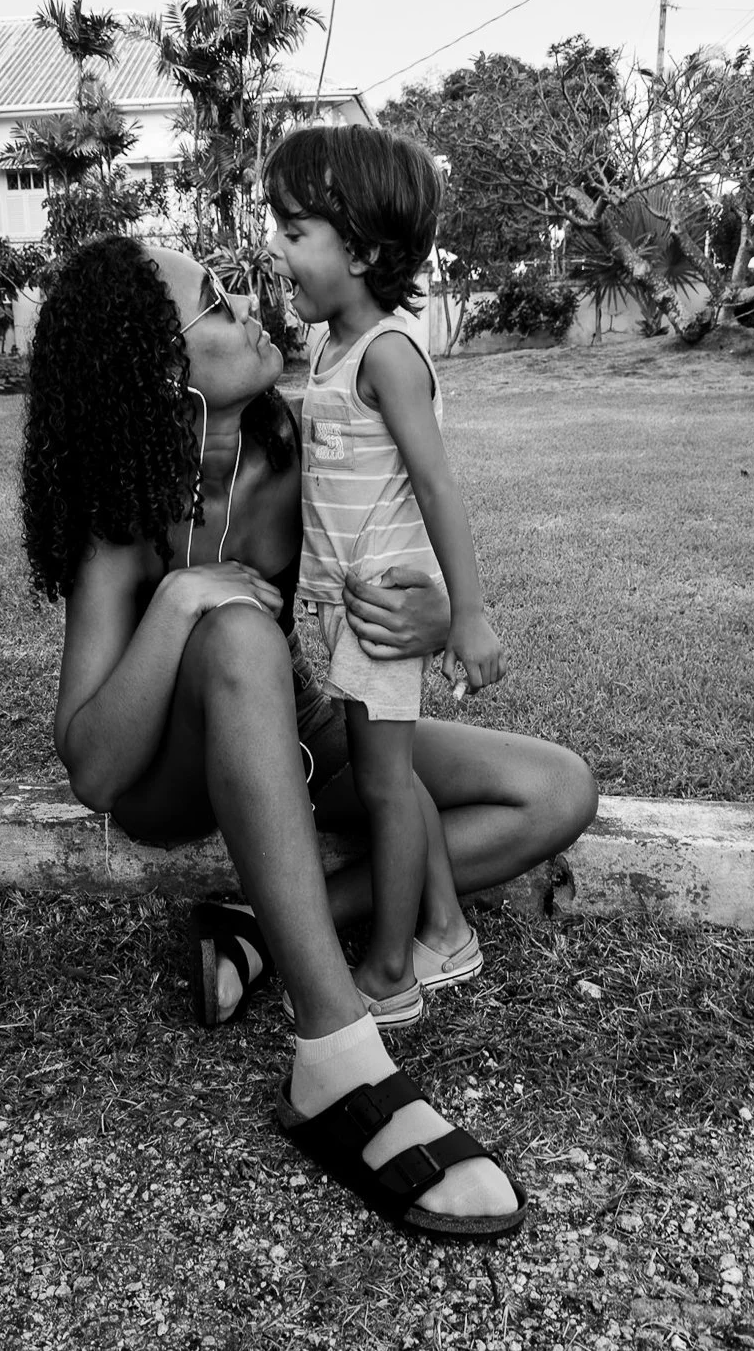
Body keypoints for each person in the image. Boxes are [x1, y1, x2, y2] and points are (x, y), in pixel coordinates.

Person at [21, 232, 597, 1241]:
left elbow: (393, 573)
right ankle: (335, 1055)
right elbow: (94, 768)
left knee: (555, 793)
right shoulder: (125, 515)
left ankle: (260, 923)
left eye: (235, 286)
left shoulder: (304, 449)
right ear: (161, 366)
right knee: (238, 632)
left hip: (306, 730)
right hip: (178, 769)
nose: (248, 303)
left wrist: (423, 617)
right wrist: (181, 603)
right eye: (213, 302)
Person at [263, 125, 500, 1033]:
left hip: (385, 606)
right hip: (344, 602)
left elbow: (439, 483)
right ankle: (447, 933)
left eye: (295, 230)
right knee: (390, 778)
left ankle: (392, 968)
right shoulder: (330, 349)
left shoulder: (389, 355)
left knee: (386, 786)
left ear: (359, 250)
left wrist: (469, 614)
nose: (277, 247)